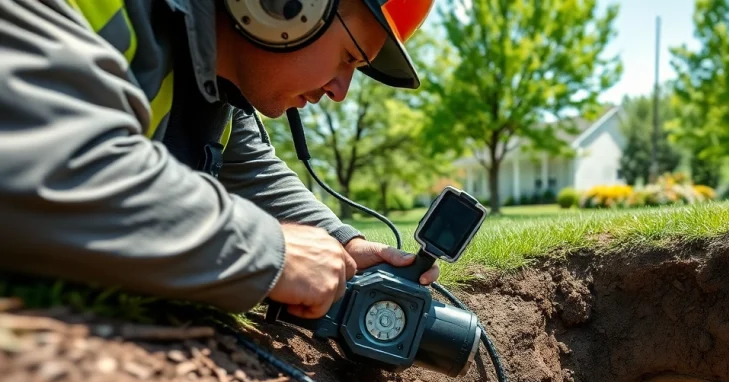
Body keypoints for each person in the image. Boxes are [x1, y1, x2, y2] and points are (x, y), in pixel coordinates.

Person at [0, 0, 440, 319]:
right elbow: (51, 167)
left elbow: (250, 171)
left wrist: (346, 246)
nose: (340, 90)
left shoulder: (214, 82)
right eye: (348, 57)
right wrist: (269, 252)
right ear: (284, 7)